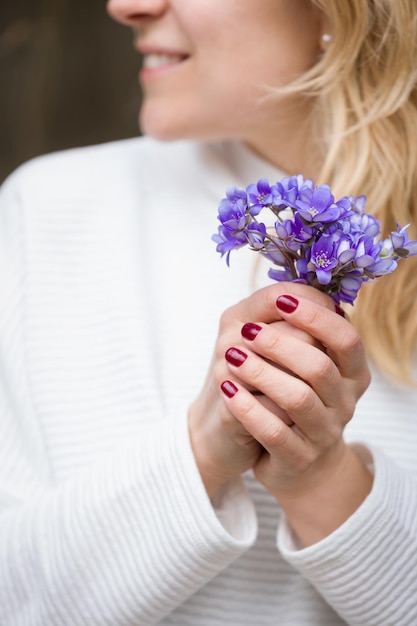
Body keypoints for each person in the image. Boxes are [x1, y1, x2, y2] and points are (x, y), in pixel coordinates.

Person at [1, 0, 416, 624]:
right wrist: (203, 447)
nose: (126, 6)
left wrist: (324, 479)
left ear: (339, 11)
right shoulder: (47, 213)